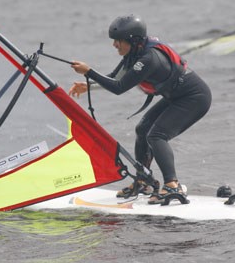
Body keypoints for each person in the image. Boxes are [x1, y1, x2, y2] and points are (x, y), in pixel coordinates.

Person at [68, 15, 211, 204]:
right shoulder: (135, 52)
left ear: (133, 41)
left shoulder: (149, 59)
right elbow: (115, 77)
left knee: (157, 135)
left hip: (194, 98)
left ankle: (172, 186)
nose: (114, 45)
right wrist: (89, 85)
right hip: (176, 97)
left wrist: (88, 71)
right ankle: (144, 181)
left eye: (118, 41)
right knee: (143, 129)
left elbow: (119, 88)